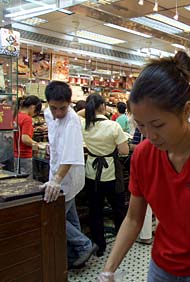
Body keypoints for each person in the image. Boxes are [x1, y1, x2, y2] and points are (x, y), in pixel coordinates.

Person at [98, 51, 190, 282]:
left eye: (157, 125)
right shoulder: (143, 155)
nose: (150, 135)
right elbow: (133, 218)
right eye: (141, 125)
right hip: (162, 267)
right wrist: (108, 269)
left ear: (186, 111)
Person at [41, 81, 98, 269]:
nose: (58, 112)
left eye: (62, 108)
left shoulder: (72, 120)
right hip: (57, 172)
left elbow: (71, 155)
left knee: (54, 217)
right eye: (54, 107)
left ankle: (84, 245)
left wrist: (57, 180)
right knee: (70, 218)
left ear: (70, 102)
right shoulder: (49, 113)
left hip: (67, 177)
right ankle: (76, 255)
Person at [82, 94, 131, 257]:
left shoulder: (84, 125)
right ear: (103, 106)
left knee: (95, 210)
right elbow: (124, 151)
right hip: (111, 172)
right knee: (118, 208)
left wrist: (89, 109)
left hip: (91, 172)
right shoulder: (113, 126)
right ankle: (121, 244)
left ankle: (99, 246)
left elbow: (76, 115)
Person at [14, 95, 42, 175]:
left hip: (14, 155)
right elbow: (25, 139)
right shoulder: (27, 119)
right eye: (36, 112)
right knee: (25, 181)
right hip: (24, 155)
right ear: (33, 107)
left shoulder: (16, 116)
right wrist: (37, 145)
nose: (34, 114)